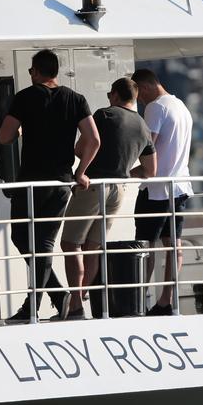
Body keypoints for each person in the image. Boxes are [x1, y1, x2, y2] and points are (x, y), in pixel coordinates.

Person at [0, 49, 100, 323]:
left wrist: (21, 130)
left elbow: (4, 136)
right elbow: (93, 140)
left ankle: (33, 307)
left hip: (31, 182)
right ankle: (58, 296)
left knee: (24, 238)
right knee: (40, 242)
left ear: (37, 71)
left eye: (31, 71)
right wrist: (81, 171)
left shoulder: (24, 97)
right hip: (61, 183)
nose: (30, 75)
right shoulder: (75, 99)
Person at [59, 77, 156, 319]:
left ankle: (76, 305)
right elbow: (149, 170)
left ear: (114, 95)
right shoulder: (143, 126)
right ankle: (80, 301)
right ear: (134, 98)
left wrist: (82, 169)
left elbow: (80, 149)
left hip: (93, 186)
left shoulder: (105, 115)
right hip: (119, 190)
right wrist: (123, 173)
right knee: (94, 246)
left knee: (71, 244)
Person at [131, 68, 193, 316]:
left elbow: (149, 147)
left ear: (144, 88)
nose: (139, 101)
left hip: (156, 190)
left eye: (138, 95)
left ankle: (138, 299)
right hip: (178, 188)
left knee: (145, 247)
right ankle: (166, 301)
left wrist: (126, 171)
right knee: (173, 245)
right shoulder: (181, 106)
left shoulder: (156, 107)